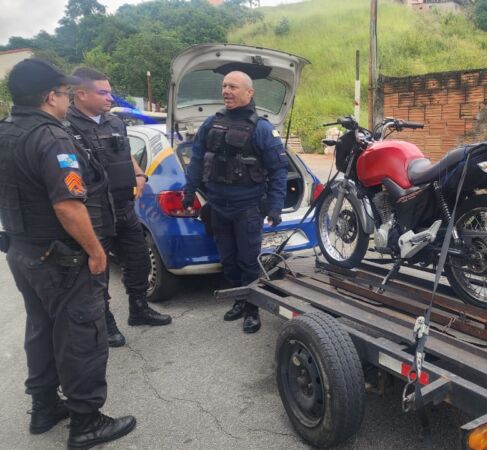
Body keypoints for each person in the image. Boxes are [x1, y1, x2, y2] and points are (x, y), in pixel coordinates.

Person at [0, 58, 136, 447]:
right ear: (49, 97)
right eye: (63, 93)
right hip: (60, 259)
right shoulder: (51, 137)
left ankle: (44, 406)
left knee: (42, 328)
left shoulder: (6, 130)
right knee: (81, 334)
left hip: (23, 251)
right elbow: (68, 205)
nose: (65, 100)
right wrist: (95, 251)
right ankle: (87, 422)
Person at [66, 67, 172, 348]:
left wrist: (139, 173)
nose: (110, 98)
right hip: (93, 211)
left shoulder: (114, 122)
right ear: (81, 94)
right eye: (103, 93)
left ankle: (139, 309)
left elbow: (125, 153)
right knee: (96, 270)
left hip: (124, 206)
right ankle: (104, 320)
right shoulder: (65, 128)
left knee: (138, 259)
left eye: (110, 92)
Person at [182, 71, 288, 333]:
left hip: (247, 207)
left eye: (233, 87)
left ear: (249, 92)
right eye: (224, 86)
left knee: (248, 261)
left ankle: (252, 309)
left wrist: (275, 207)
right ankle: (240, 299)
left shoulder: (262, 129)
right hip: (218, 206)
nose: (226, 91)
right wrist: (189, 192)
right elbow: (197, 160)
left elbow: (278, 171)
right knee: (228, 260)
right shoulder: (211, 123)